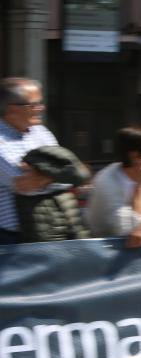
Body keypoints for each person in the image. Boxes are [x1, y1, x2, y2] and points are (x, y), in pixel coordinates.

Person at [0, 77, 59, 244]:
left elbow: (70, 170)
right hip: (8, 238)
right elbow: (24, 185)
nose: (41, 108)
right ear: (12, 109)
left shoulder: (41, 132)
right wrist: (60, 174)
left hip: (47, 229)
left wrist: (45, 176)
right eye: (34, 104)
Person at [15, 145, 90, 243]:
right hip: (31, 235)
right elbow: (22, 183)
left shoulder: (41, 132)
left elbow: (80, 174)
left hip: (67, 218)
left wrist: (44, 176)